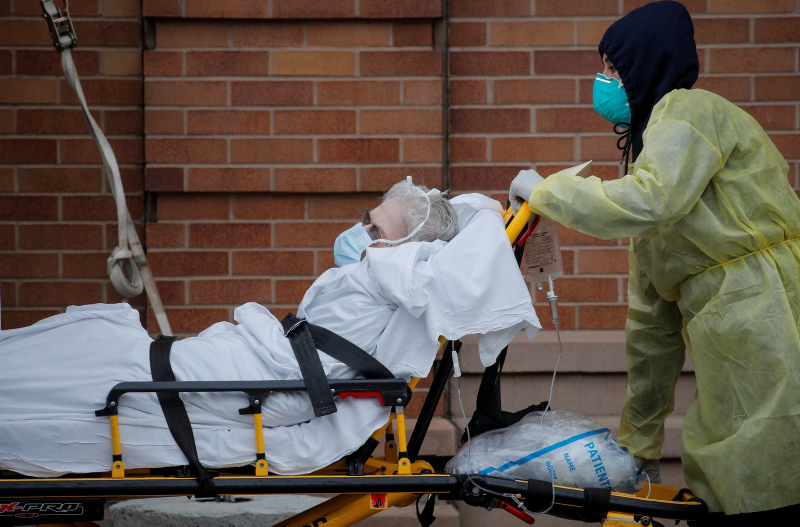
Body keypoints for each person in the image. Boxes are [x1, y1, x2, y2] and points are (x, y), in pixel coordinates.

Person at [0, 178, 541, 477]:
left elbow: (461, 250)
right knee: (98, 341)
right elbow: (463, 218)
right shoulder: (377, 268)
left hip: (269, 377)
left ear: (403, 247)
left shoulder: (392, 270)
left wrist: (509, 213)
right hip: (264, 359)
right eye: (366, 218)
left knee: (101, 360)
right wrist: (501, 209)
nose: (360, 231)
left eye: (374, 228)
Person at [508, 0, 800, 524]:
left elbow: (649, 200)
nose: (604, 81)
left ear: (647, 62)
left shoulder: (690, 112)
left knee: (780, 456)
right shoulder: (653, 160)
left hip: (773, 307)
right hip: (728, 336)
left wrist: (547, 191)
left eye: (613, 68)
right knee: (740, 470)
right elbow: (651, 326)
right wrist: (638, 447)